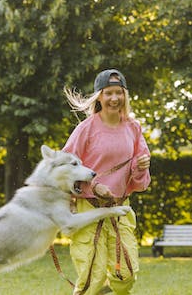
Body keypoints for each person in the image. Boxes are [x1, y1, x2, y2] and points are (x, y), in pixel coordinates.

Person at [62, 68, 151, 295]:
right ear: (99, 96)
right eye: (108, 93)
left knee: (126, 275)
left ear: (125, 96)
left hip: (120, 210)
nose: (114, 99)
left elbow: (140, 182)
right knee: (93, 277)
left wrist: (140, 168)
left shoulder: (133, 128)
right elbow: (64, 169)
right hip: (88, 210)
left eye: (119, 93)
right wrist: (93, 186)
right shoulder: (86, 129)